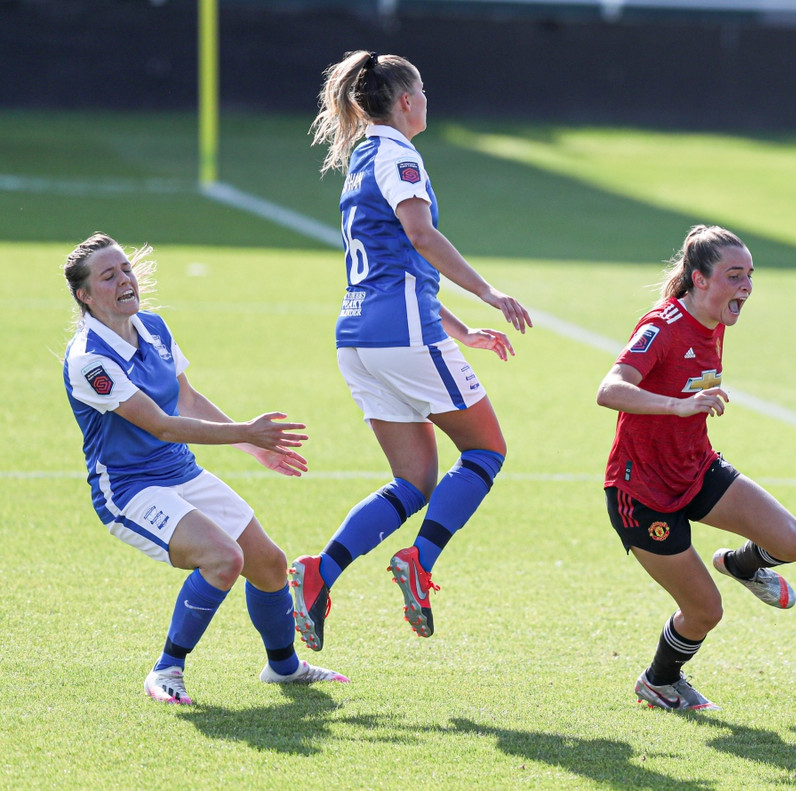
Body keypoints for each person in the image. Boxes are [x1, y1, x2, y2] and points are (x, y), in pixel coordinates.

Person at [289, 50, 531, 651]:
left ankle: (321, 572)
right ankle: (419, 562)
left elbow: (398, 262)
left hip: (359, 337)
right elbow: (420, 236)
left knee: (413, 480)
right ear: (404, 101)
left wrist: (458, 329)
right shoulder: (398, 153)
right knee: (485, 450)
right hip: (400, 335)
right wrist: (488, 292)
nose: (426, 101)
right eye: (421, 92)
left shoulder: (363, 157)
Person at [61, 233, 348, 705]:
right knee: (223, 559)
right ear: (85, 296)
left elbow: (187, 399)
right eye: (107, 276)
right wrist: (246, 431)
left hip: (180, 472)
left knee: (271, 566)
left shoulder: (152, 328)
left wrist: (254, 447)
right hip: (129, 491)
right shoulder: (89, 358)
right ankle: (166, 670)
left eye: (126, 269)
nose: (124, 280)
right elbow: (163, 425)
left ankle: (284, 667)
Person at [597, 225, 796, 711]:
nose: (746, 287)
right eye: (734, 276)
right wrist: (677, 406)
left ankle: (741, 564)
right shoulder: (661, 326)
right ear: (699, 279)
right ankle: (659, 682)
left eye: (750, 276)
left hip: (695, 468)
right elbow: (609, 389)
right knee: (704, 611)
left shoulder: (714, 319)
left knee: (792, 542)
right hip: (642, 492)